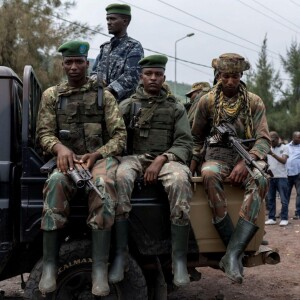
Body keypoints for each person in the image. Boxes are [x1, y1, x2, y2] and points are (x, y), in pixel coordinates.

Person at [36, 41, 127, 296]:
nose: (74, 67)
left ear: (88, 64)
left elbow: (120, 137)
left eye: (79, 62)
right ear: (63, 64)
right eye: (69, 62)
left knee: (103, 187)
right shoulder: (52, 96)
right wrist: (59, 149)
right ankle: (50, 267)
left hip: (98, 160)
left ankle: (99, 270)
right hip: (66, 161)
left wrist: (98, 154)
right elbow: (43, 133)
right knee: (54, 184)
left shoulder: (104, 96)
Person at [109, 54, 193, 287]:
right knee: (121, 177)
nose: (153, 78)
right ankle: (120, 253)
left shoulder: (175, 107)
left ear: (164, 77)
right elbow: (115, 137)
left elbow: (185, 142)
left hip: (167, 159)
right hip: (134, 158)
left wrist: (162, 159)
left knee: (179, 181)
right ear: (141, 77)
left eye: (157, 74)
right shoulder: (127, 106)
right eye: (149, 74)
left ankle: (178, 259)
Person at [190, 53, 270, 284]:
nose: (230, 81)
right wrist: (191, 166)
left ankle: (233, 254)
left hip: (246, 156)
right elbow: (196, 138)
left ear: (241, 75)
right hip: (217, 157)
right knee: (208, 173)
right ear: (218, 76)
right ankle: (232, 249)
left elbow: (263, 139)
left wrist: (248, 160)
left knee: (261, 179)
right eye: (226, 76)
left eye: (235, 76)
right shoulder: (206, 101)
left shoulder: (253, 101)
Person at [91, 3, 144, 102]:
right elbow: (94, 73)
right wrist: (96, 84)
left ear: (125, 21)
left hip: (121, 105)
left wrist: (109, 91)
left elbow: (131, 76)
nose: (108, 22)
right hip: (99, 103)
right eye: (107, 19)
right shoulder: (105, 48)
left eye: (113, 19)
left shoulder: (133, 46)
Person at [265, 131, 289, 226]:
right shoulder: (269, 148)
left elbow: (284, 161)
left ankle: (284, 218)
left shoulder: (284, 147)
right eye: (270, 141)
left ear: (277, 138)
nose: (271, 143)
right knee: (270, 199)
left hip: (282, 177)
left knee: (283, 199)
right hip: (271, 177)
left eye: (273, 141)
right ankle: (271, 218)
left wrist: (272, 154)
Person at [286, 131, 300, 219]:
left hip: (298, 175)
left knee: (299, 194)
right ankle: (284, 212)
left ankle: (298, 212)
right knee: (286, 194)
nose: (299, 139)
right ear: (293, 137)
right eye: (298, 137)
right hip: (287, 175)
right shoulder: (286, 147)